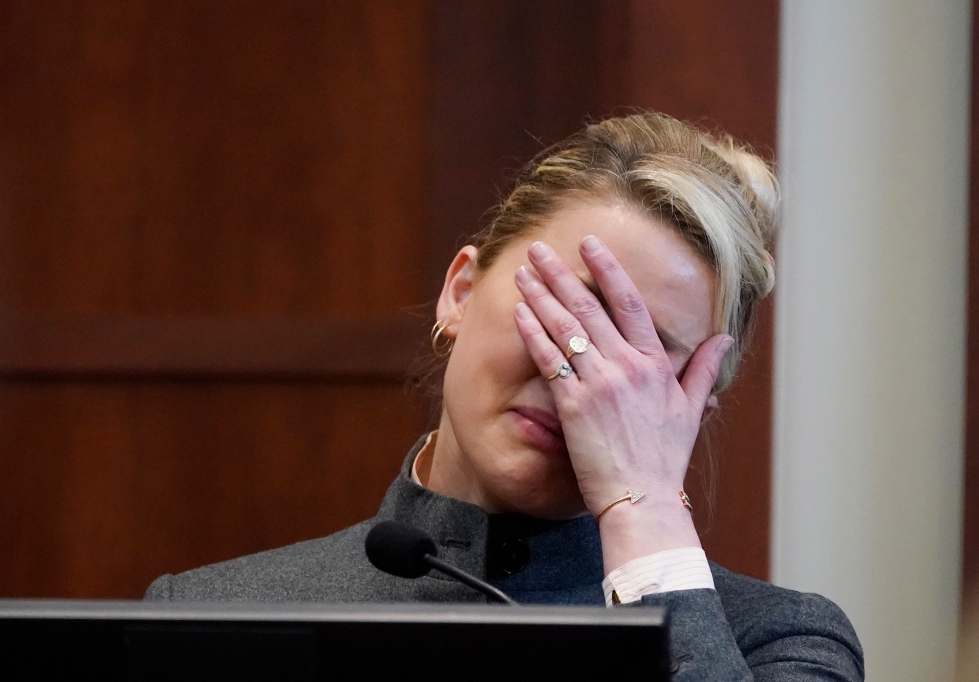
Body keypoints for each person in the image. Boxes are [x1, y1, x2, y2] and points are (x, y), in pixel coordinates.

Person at [145, 112, 864, 680]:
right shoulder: (212, 618)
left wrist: (642, 510)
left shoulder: (777, 642)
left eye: (639, 356)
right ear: (460, 293)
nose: (576, 379)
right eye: (563, 314)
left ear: (692, 404)